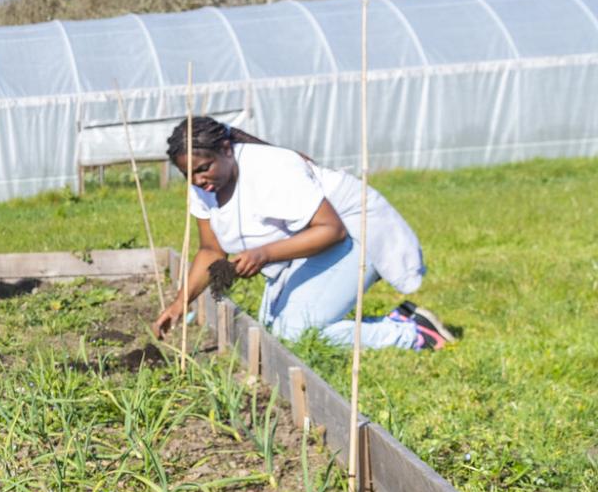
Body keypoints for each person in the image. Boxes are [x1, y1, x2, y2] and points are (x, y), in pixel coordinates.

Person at [153, 117, 454, 350]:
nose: (197, 180)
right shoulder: (204, 187)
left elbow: (331, 230)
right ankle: (401, 318)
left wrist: (264, 254)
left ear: (227, 150)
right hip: (313, 241)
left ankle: (412, 334)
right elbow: (211, 250)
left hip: (354, 235)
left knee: (292, 336)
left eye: (203, 168)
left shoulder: (271, 171)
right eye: (188, 174)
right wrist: (182, 302)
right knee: (272, 330)